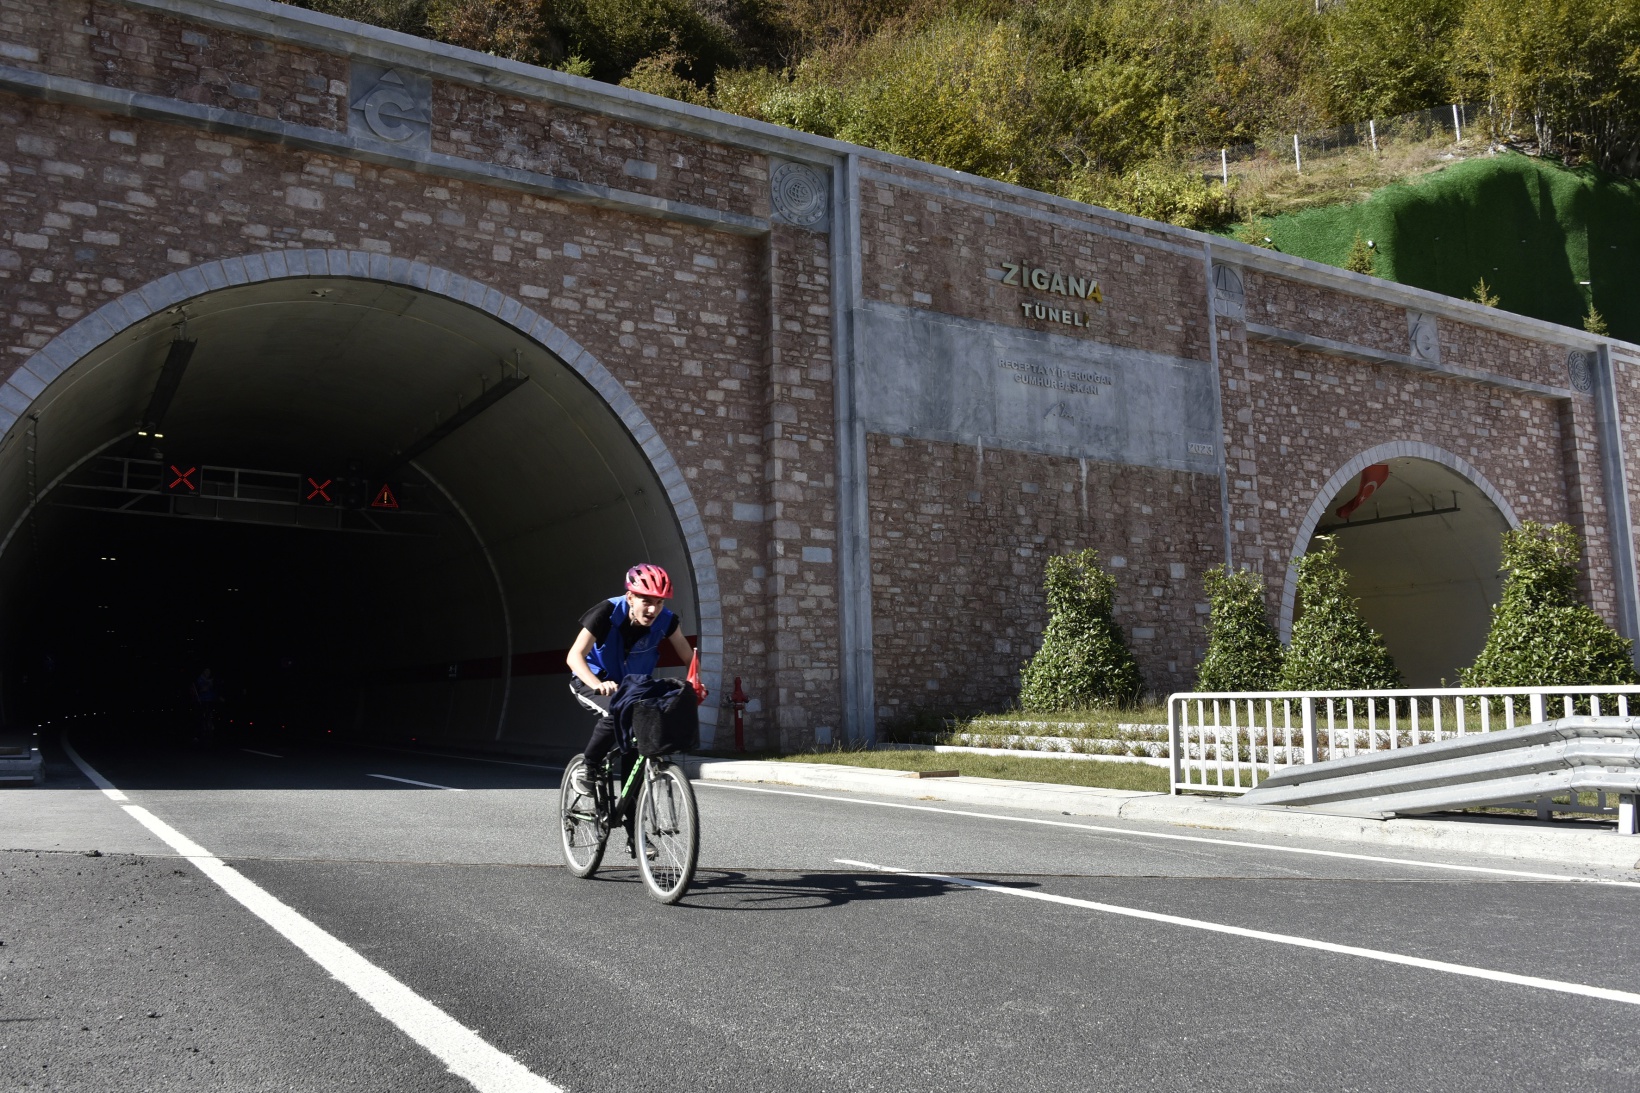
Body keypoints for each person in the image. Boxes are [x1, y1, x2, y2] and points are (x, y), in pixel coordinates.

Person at [566, 564, 693, 796]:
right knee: (617, 711)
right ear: (630, 597)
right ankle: (589, 766)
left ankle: (631, 810)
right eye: (646, 601)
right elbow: (574, 656)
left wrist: (696, 683)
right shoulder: (606, 612)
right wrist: (597, 684)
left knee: (641, 732)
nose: (653, 609)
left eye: (660, 602)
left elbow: (688, 657)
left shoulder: (666, 620)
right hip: (591, 681)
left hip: (632, 688)